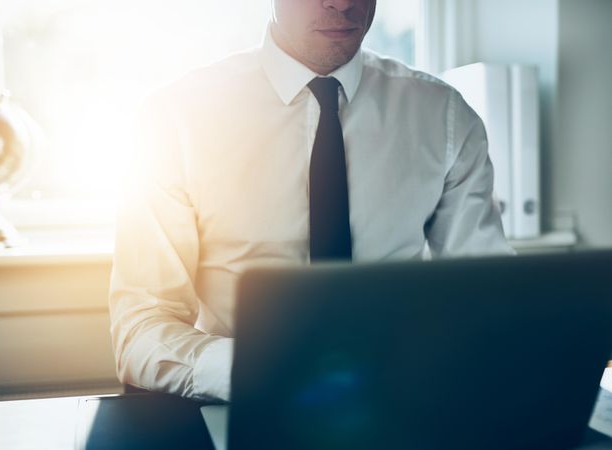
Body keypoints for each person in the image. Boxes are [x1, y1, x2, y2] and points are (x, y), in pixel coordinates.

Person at [109, 0, 513, 403]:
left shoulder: (444, 116)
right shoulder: (175, 120)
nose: (342, 3)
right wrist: (253, 368)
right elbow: (141, 326)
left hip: (399, 404)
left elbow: (495, 300)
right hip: (242, 407)